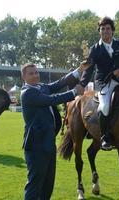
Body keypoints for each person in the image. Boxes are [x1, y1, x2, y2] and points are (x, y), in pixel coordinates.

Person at [20, 62, 88, 200]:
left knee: (48, 185)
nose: (35, 76)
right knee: (34, 185)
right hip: (36, 145)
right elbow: (51, 99)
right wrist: (74, 92)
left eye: (36, 72)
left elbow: (59, 83)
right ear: (23, 77)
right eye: (31, 73)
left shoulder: (41, 87)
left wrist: (78, 71)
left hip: (49, 143)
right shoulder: (27, 93)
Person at [80, 17, 119, 150]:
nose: (105, 31)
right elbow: (88, 69)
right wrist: (81, 85)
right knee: (105, 106)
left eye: (108, 28)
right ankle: (105, 137)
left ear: (112, 31)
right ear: (99, 32)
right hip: (103, 82)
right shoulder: (94, 49)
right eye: (102, 29)